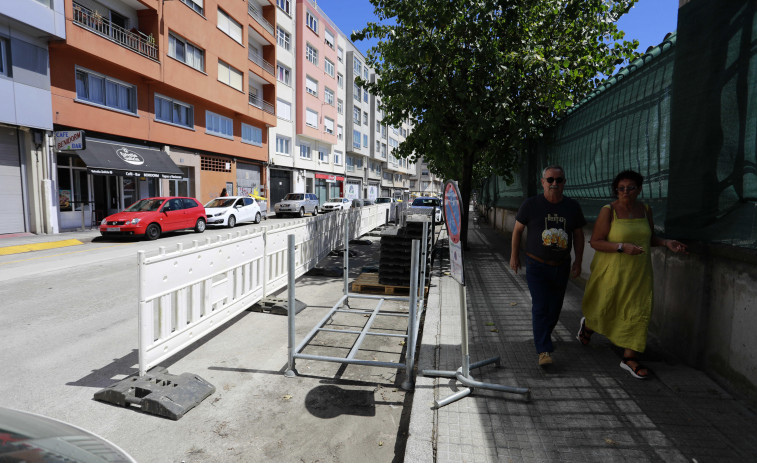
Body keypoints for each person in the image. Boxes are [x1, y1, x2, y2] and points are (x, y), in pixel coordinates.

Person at [578, 170, 687, 379]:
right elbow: (596, 242)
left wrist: (666, 243)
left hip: (639, 273)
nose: (625, 192)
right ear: (616, 190)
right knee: (604, 308)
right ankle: (588, 326)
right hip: (611, 272)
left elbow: (649, 238)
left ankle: (629, 358)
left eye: (630, 188)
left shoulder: (646, 210)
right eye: (621, 188)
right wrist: (621, 247)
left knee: (638, 311)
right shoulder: (608, 211)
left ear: (639, 189)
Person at [510, 165, 586, 367]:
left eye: (558, 180)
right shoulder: (531, 205)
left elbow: (578, 236)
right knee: (541, 306)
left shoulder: (572, 207)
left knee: (554, 308)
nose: (554, 184)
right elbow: (517, 230)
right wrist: (514, 256)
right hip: (536, 264)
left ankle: (543, 334)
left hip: (561, 266)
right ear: (542, 182)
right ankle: (543, 350)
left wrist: (578, 261)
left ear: (564, 183)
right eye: (550, 180)